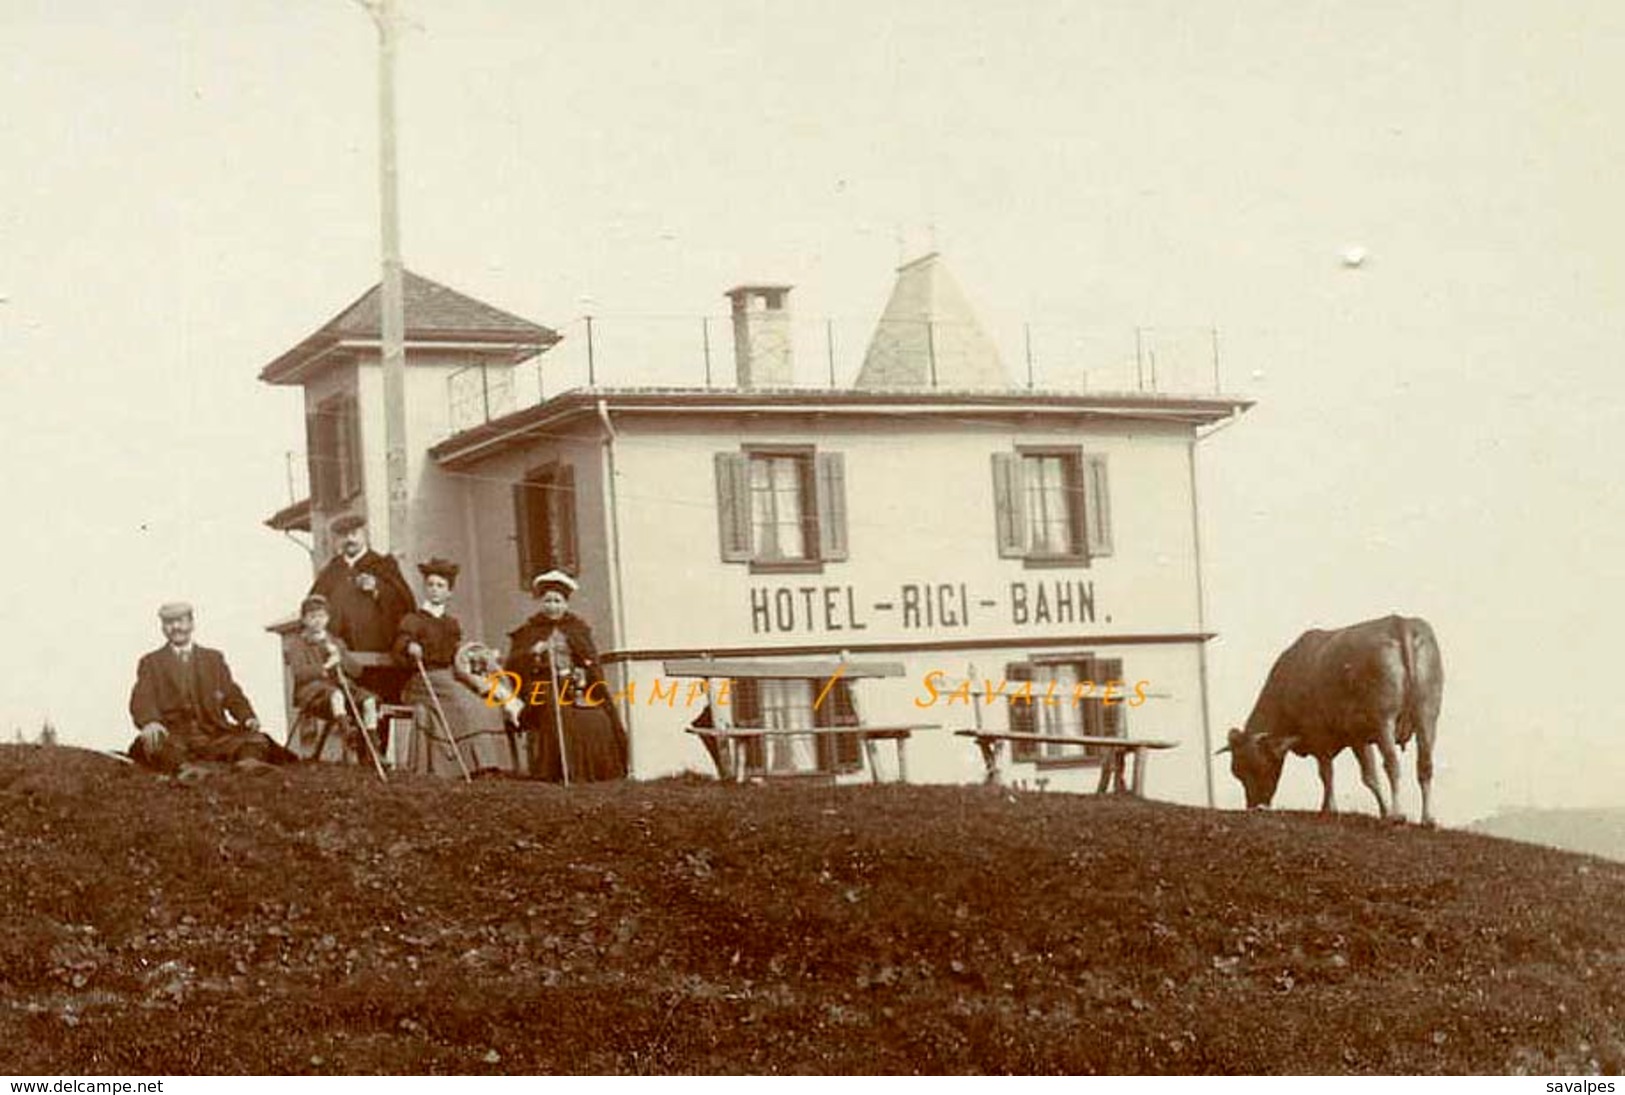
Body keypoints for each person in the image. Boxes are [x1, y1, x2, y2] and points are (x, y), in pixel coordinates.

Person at [128, 602, 297, 773]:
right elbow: (143, 696)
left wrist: (247, 717)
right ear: (163, 628)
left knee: (255, 739)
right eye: (169, 623)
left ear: (192, 624)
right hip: (175, 736)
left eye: (181, 621)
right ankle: (185, 769)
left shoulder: (213, 659)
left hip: (213, 733)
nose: (176, 627)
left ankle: (249, 763)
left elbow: (231, 693)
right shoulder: (151, 662)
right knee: (151, 742)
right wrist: (150, 722)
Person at [395, 558, 523, 776]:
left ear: (449, 593)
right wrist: (409, 646)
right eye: (430, 585)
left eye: (440, 586)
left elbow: (456, 653)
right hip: (423, 679)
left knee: (485, 703)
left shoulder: (451, 623)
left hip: (450, 676)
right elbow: (399, 645)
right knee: (463, 704)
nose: (434, 590)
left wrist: (479, 657)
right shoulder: (413, 619)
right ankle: (471, 766)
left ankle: (493, 763)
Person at [505, 570, 628, 783]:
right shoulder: (529, 631)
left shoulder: (577, 629)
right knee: (556, 705)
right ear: (541, 603)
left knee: (600, 713)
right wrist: (533, 652)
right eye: (548, 601)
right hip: (539, 687)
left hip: (574, 684)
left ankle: (599, 771)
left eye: (557, 601)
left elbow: (591, 662)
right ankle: (558, 770)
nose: (552, 606)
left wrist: (583, 674)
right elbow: (512, 665)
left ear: (566, 603)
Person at [309, 514, 414, 705]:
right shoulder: (331, 571)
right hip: (342, 658)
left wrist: (377, 588)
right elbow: (313, 606)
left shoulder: (383, 565)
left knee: (377, 710)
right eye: (343, 536)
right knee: (348, 712)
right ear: (337, 540)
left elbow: (405, 603)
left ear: (364, 534)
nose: (349, 540)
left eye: (354, 534)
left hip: (378, 660)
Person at [285, 594, 380, 760]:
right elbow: (300, 674)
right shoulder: (297, 644)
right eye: (312, 616)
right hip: (312, 692)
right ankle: (348, 733)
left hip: (340, 688)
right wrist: (326, 666)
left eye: (321, 616)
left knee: (368, 701)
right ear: (304, 620)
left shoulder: (335, 642)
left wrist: (340, 657)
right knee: (336, 694)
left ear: (328, 618)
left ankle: (373, 750)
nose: (317, 621)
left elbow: (356, 671)